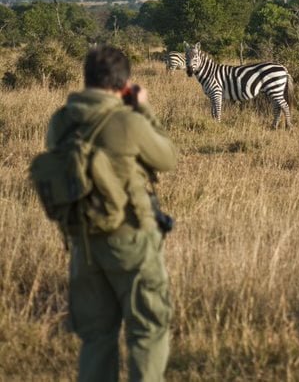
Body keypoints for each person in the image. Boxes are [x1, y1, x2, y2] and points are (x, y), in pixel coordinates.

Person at [45, 45, 177, 381]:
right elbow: (167, 158)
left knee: (96, 337)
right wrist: (144, 109)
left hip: (82, 240)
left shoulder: (60, 121)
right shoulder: (127, 121)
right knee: (147, 329)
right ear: (123, 84)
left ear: (86, 77)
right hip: (130, 239)